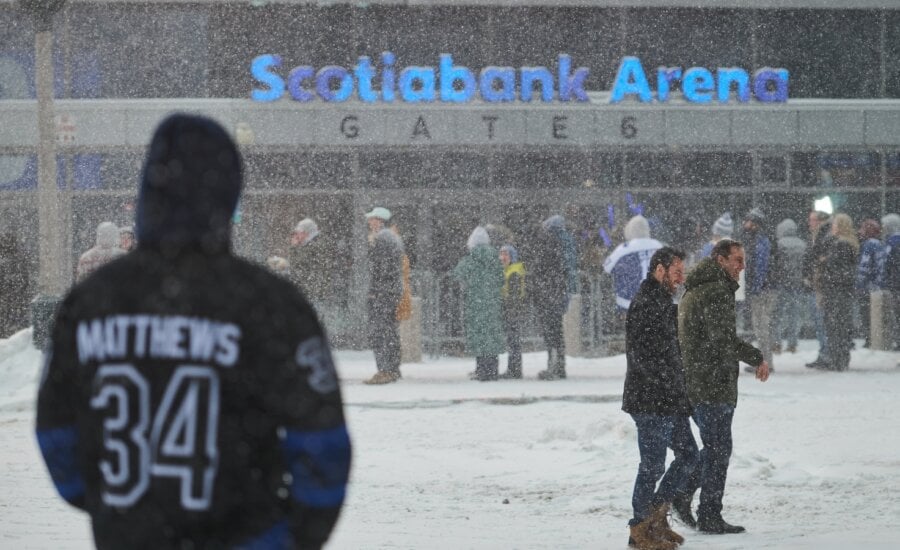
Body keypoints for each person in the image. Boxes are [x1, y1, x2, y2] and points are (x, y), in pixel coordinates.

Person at [35, 114, 351, 549]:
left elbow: (56, 431)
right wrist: (292, 536)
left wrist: (116, 506)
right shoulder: (270, 303)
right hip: (244, 532)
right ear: (229, 192)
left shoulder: (91, 301)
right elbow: (323, 444)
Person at [678, 239, 770, 534]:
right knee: (718, 450)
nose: (742, 267)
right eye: (737, 260)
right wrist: (756, 358)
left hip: (698, 378)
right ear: (720, 260)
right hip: (711, 382)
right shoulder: (716, 291)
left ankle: (685, 494)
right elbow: (722, 339)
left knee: (714, 447)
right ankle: (707, 513)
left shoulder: (699, 286)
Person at [623, 247, 699, 550]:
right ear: (659, 270)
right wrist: (669, 386)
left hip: (669, 399)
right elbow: (645, 359)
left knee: (689, 454)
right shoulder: (646, 305)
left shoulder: (663, 302)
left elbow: (672, 355)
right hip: (650, 400)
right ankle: (639, 529)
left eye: (683, 271)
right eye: (676, 272)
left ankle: (656, 516)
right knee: (652, 465)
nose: (681, 278)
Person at [452, 226, 505, 381]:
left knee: (479, 336)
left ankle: (482, 369)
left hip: (475, 303)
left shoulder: (469, 259)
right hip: (493, 303)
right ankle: (493, 369)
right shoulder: (495, 259)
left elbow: (457, 275)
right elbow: (501, 279)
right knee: (492, 336)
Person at [531, 215, 576, 380]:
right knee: (557, 331)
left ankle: (553, 365)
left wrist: (538, 291)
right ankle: (560, 365)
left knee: (550, 332)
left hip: (548, 295)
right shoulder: (564, 244)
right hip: (558, 292)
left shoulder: (546, 247)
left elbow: (540, 272)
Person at [364, 206, 404, 385]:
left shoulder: (382, 239)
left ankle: (384, 370)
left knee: (380, 331)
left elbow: (380, 269)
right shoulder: (393, 238)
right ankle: (393, 369)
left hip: (383, 292)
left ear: (380, 220)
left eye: (372, 219)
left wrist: (374, 290)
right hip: (391, 291)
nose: (369, 222)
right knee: (390, 331)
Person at [817, 213, 859, 371]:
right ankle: (841, 358)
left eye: (834, 224)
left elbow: (838, 270)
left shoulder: (841, 245)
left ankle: (837, 360)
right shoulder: (850, 243)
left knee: (835, 326)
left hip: (836, 292)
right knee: (842, 326)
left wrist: (826, 261)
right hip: (843, 292)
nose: (832, 227)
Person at [603, 215, 663, 311]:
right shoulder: (659, 246)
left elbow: (607, 267)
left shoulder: (623, 249)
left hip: (629, 304)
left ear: (630, 230)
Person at [804, 211, 834, 368]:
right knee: (819, 321)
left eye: (813, 220)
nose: (810, 223)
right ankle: (824, 352)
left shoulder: (822, 237)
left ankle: (826, 353)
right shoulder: (817, 237)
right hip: (816, 284)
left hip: (820, 285)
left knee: (822, 320)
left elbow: (816, 259)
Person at [771, 219, 807, 354]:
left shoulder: (779, 244)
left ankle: (776, 343)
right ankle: (792, 344)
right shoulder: (802, 244)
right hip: (797, 284)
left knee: (778, 315)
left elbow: (776, 264)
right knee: (794, 315)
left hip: (782, 283)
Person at [289, 217, 332, 310]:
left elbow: (298, 263)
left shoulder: (315, 245)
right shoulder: (314, 243)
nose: (296, 235)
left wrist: (294, 248)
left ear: (305, 232)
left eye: (298, 232)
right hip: (312, 291)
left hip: (313, 293)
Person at [856, 219, 884, 348]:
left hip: (868, 287)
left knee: (866, 314)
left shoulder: (869, 245)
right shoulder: (879, 244)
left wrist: (859, 283)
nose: (860, 231)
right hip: (876, 285)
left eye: (862, 228)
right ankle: (875, 338)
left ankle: (869, 339)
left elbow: (864, 266)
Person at [498, 244, 526, 379]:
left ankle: (514, 370)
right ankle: (514, 368)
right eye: (501, 254)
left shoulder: (513, 272)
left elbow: (513, 295)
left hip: (512, 311)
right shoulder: (508, 270)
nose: (502, 257)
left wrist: (509, 309)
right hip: (511, 310)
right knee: (512, 341)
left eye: (505, 254)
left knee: (513, 341)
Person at [0, 232, 30, 338]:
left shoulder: (7, 260)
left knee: (5, 317)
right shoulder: (19, 259)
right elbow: (25, 279)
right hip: (14, 296)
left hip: (7, 296)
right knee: (12, 318)